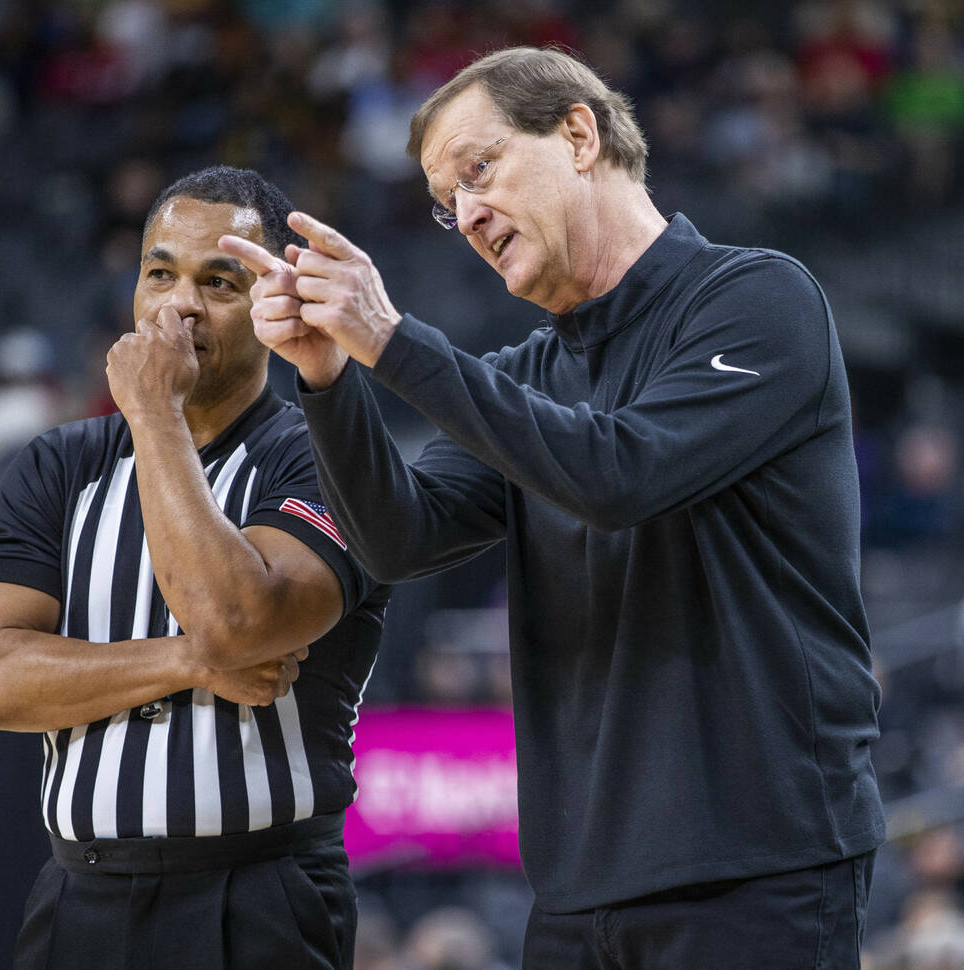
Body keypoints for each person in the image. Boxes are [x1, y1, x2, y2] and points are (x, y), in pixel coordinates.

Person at [220, 46, 886, 969]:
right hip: (575, 892)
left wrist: (394, 339)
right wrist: (330, 380)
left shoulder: (758, 299)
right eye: (446, 203)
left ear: (579, 133)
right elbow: (397, 541)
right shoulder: (525, 375)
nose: (466, 213)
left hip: (759, 870)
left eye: (478, 169)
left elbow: (618, 475)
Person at [0, 166, 388, 970]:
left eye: (218, 281)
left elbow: (239, 622)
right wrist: (189, 661)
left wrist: (152, 411)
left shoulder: (328, 459)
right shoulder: (60, 464)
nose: (179, 304)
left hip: (259, 899)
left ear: (273, 304)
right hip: (75, 897)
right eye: (160, 274)